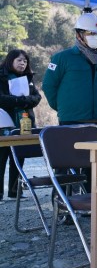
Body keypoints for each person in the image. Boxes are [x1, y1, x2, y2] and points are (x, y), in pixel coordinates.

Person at [43, 12, 97, 125]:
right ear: (79, 35)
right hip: (71, 120)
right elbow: (48, 86)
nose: (96, 37)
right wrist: (63, 107)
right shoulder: (62, 58)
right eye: (91, 33)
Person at [0, 50, 42, 200]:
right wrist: (18, 100)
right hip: (4, 123)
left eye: (25, 61)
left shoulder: (28, 78)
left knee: (18, 157)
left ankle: (14, 191)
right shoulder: (1, 76)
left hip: (24, 123)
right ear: (10, 60)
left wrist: (23, 100)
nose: (23, 63)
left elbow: (37, 98)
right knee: (1, 158)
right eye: (19, 60)